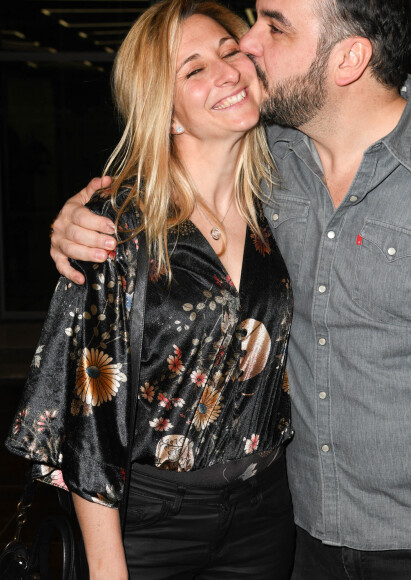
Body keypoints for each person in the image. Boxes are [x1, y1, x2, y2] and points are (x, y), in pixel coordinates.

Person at [49, 0, 411, 579]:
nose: (249, 42)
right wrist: (78, 222)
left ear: (348, 58)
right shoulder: (269, 162)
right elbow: (167, 190)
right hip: (299, 530)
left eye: (274, 27)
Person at [5, 1, 296, 579]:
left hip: (266, 511)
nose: (228, 72)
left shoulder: (286, 204)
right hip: (148, 521)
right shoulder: (119, 225)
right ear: (166, 113)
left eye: (229, 50)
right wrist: (107, 566)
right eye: (193, 70)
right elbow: (89, 418)